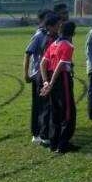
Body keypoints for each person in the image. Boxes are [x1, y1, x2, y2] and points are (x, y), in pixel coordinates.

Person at [40, 21, 78, 153]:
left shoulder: (53, 44)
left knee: (55, 110)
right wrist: (51, 83)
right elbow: (61, 65)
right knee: (68, 112)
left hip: (51, 76)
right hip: (62, 79)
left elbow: (43, 63)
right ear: (73, 33)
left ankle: (53, 142)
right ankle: (63, 144)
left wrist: (45, 81)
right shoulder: (68, 45)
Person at [24, 10, 55, 146]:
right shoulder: (39, 36)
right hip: (38, 75)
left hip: (46, 74)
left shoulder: (51, 35)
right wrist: (26, 74)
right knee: (39, 105)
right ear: (43, 21)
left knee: (46, 105)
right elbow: (28, 54)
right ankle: (36, 133)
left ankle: (45, 131)